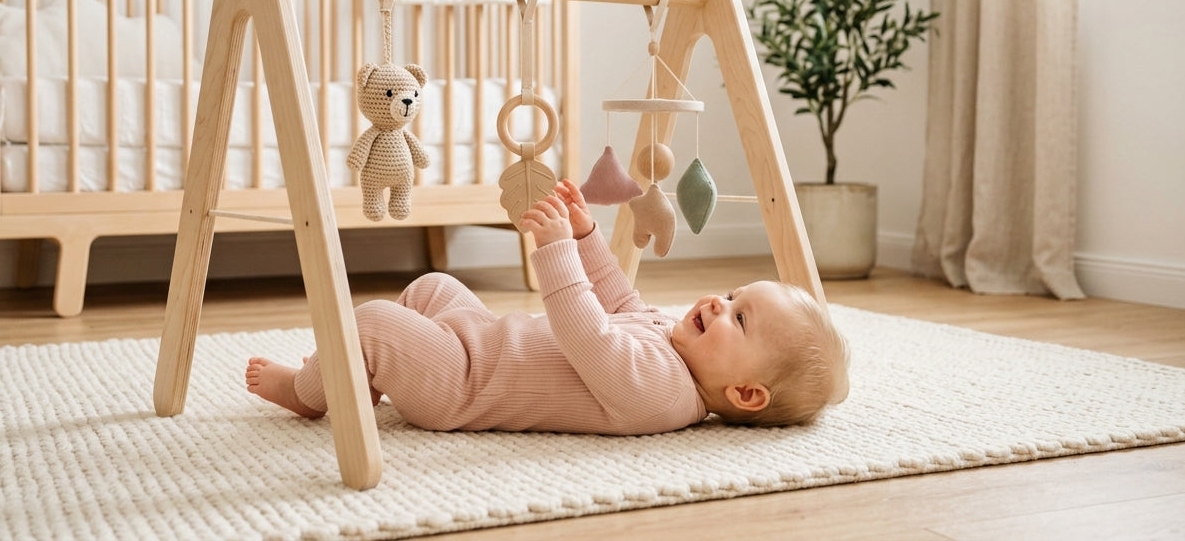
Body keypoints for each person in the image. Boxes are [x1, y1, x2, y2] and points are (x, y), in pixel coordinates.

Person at [246, 179, 849, 434]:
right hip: (481, 339)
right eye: (735, 295)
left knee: (373, 321)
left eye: (739, 318)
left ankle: (306, 393)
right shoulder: (672, 340)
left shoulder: (663, 396)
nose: (720, 302)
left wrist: (557, 251)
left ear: (745, 394)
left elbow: (589, 332)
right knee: (433, 285)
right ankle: (360, 380)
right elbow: (619, 300)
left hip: (464, 385)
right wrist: (587, 237)